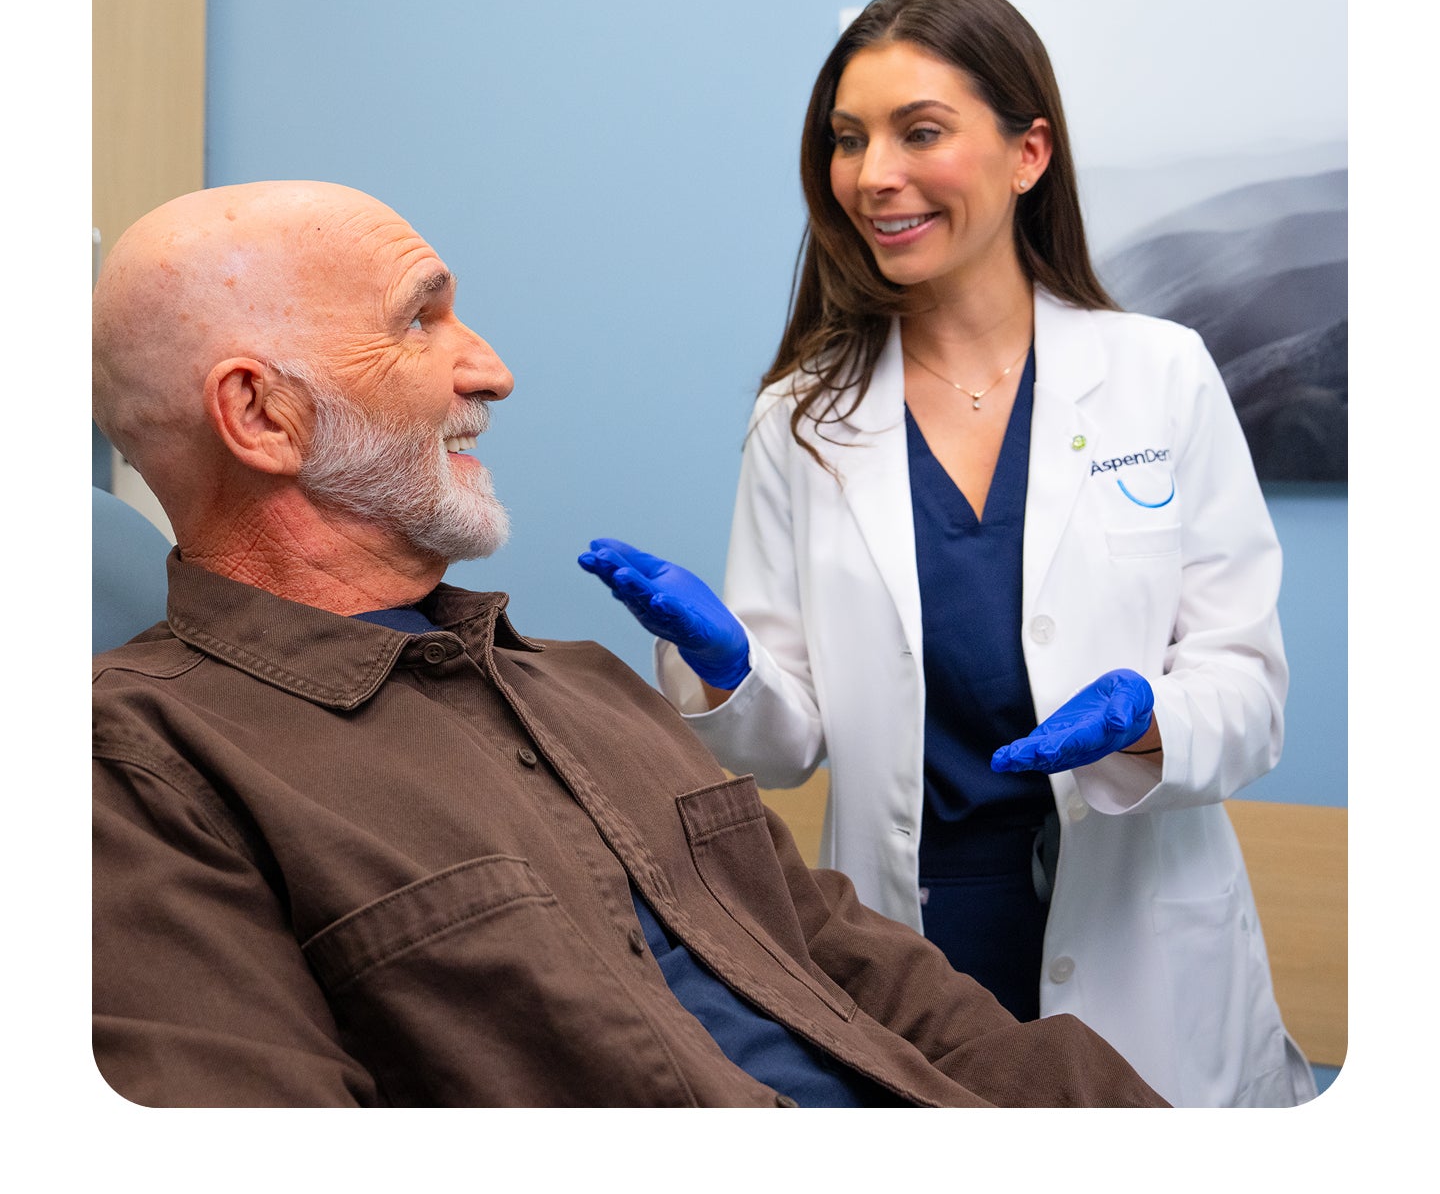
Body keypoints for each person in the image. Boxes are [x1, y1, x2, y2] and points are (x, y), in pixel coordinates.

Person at [90, 178, 1167, 1110]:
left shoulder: (585, 685)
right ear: (263, 417)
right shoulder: (138, 770)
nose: (492, 370)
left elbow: (877, 982)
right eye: (422, 323)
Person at [579, 0, 1316, 1108]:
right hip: (911, 943)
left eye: (920, 131)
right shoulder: (802, 417)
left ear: (1028, 154)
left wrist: (1152, 721)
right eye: (848, 139)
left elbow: (1251, 691)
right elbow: (783, 744)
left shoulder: (1158, 374)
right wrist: (729, 671)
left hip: (1141, 937)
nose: (874, 174)